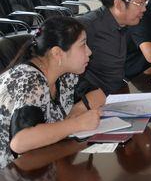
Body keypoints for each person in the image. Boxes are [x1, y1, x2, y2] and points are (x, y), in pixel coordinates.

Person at [0, 17, 103, 168]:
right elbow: (20, 142)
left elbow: (98, 95)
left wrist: (78, 109)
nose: (89, 52)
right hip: (10, 173)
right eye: (82, 45)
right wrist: (76, 124)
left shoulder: (65, 74)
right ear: (57, 53)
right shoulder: (29, 80)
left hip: (40, 164)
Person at [75, 0, 148, 97]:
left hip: (118, 94)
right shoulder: (87, 26)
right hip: (94, 100)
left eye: (145, 3)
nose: (144, 9)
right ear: (119, 4)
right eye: (140, 3)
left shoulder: (125, 24)